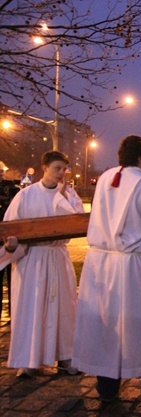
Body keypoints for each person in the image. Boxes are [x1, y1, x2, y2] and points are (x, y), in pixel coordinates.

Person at [72, 135, 141, 403]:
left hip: (100, 264)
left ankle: (106, 386)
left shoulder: (106, 179)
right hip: (135, 266)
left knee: (107, 324)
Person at [4, 151, 85, 377]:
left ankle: (66, 357)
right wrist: (11, 246)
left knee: (64, 309)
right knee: (32, 309)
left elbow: (77, 222)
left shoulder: (70, 195)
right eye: (57, 168)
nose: (61, 173)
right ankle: (28, 360)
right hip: (32, 259)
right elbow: (12, 228)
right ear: (45, 168)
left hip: (57, 256)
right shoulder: (25, 196)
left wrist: (63, 196)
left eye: (64, 169)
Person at [0, 161, 20, 320]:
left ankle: (15, 315)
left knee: (14, 280)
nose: (1, 173)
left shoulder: (14, 190)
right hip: (6, 242)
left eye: (2, 171)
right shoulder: (13, 190)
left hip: (12, 242)